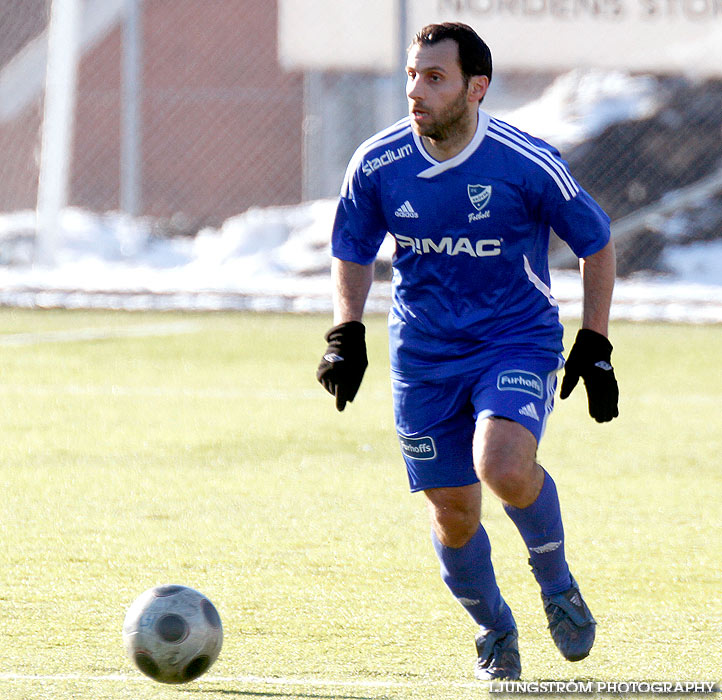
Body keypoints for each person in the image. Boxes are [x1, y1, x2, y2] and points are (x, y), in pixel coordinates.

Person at [316, 22, 618, 681]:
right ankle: (494, 630)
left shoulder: (523, 161)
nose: (415, 91)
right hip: (424, 356)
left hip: (516, 339)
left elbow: (597, 242)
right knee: (453, 514)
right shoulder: (378, 164)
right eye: (412, 75)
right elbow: (352, 247)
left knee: (502, 464)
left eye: (434, 77)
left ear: (476, 88)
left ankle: (557, 582)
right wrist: (347, 331)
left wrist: (594, 342)